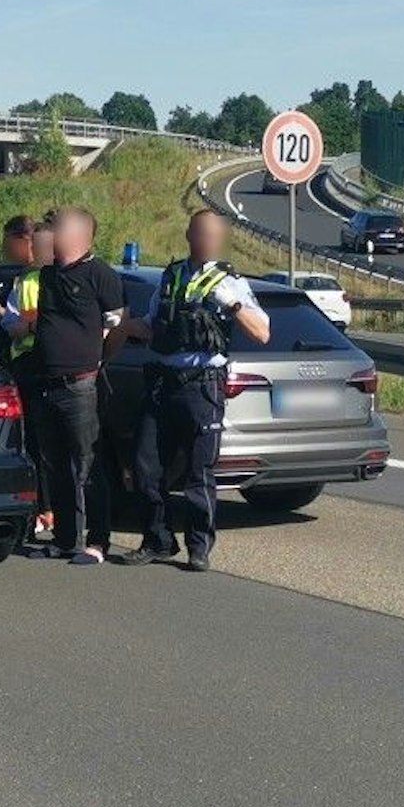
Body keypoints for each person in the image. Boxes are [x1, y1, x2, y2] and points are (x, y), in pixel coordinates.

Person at [117, 209, 271, 572]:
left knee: (199, 472)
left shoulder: (229, 280)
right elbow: (153, 327)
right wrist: (121, 327)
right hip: (164, 384)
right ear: (189, 235)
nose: (207, 240)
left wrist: (231, 304)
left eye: (213, 235)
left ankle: (199, 547)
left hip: (202, 388)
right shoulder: (171, 276)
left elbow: (263, 332)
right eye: (201, 233)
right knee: (145, 466)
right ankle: (157, 540)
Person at [7, 207, 126, 564]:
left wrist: (99, 360)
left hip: (81, 384)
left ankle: (98, 541)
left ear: (75, 235)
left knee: (87, 464)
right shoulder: (46, 276)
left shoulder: (99, 274)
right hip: (47, 382)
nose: (48, 236)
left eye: (55, 230)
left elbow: (118, 324)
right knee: (56, 464)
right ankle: (64, 539)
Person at [0, 215, 51, 544]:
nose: (6, 251)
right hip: (31, 366)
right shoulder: (26, 278)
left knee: (38, 445)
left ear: (26, 241)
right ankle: (45, 510)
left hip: (37, 368)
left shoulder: (37, 279)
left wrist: (9, 321)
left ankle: (46, 511)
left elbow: (29, 324)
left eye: (9, 244)